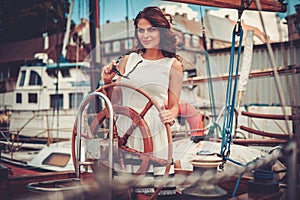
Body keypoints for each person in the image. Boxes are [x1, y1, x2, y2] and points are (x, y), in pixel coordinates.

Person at [101, 6, 183, 199]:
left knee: (147, 194)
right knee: (124, 193)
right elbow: (115, 99)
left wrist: (171, 114)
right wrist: (107, 81)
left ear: (162, 31)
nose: (145, 35)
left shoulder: (173, 65)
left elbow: (174, 105)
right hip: (126, 134)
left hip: (154, 134)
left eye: (151, 29)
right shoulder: (128, 60)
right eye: (141, 30)